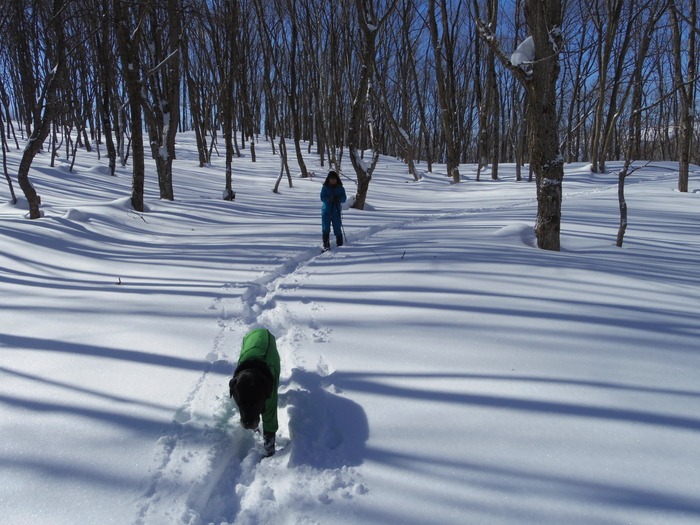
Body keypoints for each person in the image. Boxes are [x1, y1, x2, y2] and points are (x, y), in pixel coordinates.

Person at [320, 170, 347, 251]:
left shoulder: (341, 188)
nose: (333, 181)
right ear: (328, 179)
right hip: (326, 211)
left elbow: (344, 198)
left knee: (337, 227)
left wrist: (339, 198)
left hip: (336, 211)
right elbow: (322, 198)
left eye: (334, 179)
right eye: (331, 179)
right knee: (326, 228)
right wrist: (329, 199)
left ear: (337, 179)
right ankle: (326, 245)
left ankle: (340, 244)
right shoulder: (325, 188)